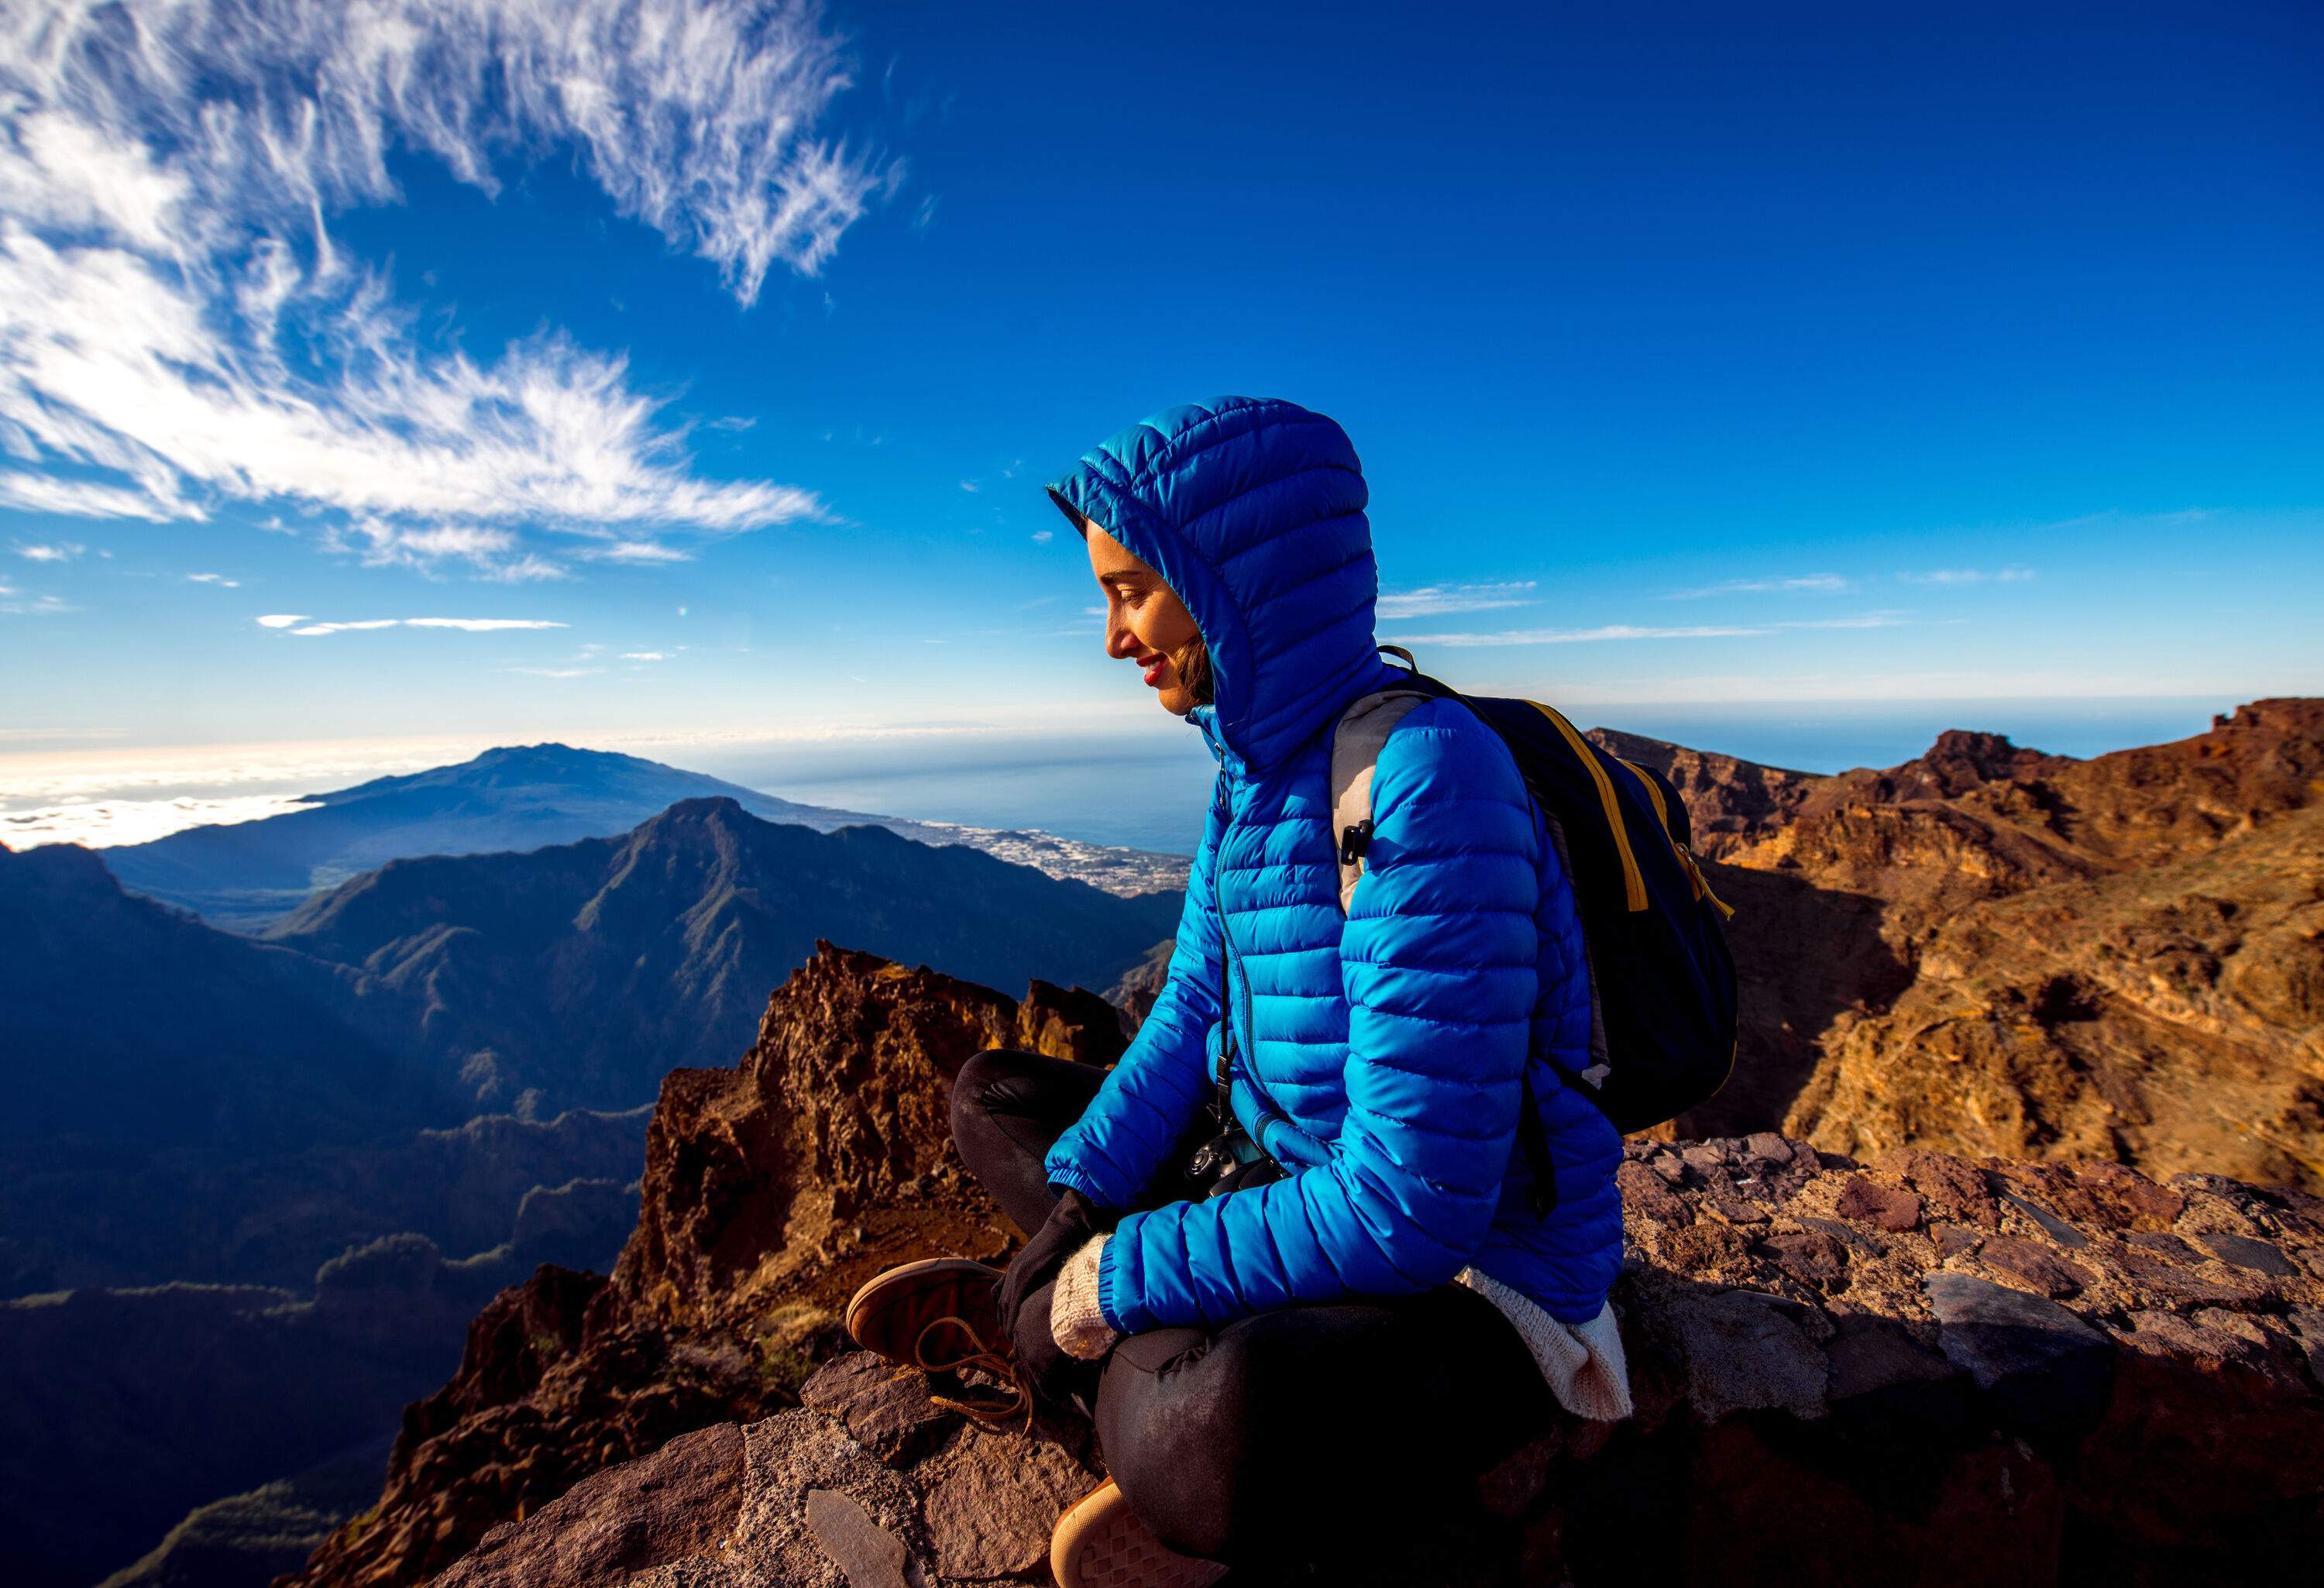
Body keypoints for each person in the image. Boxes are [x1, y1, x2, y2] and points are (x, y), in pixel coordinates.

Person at [845, 396, 1630, 1587]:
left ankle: (1118, 1399)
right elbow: (1188, 1016)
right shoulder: (1253, 771)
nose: (1116, 638)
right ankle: (1108, 1371)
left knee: (1217, 1425)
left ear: (1233, 585)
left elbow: (1412, 1209)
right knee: (991, 1095)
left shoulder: (1429, 778)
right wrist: (1072, 1212)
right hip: (1286, 1180)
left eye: (1130, 593)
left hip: (1472, 1284)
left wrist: (1102, 1279)